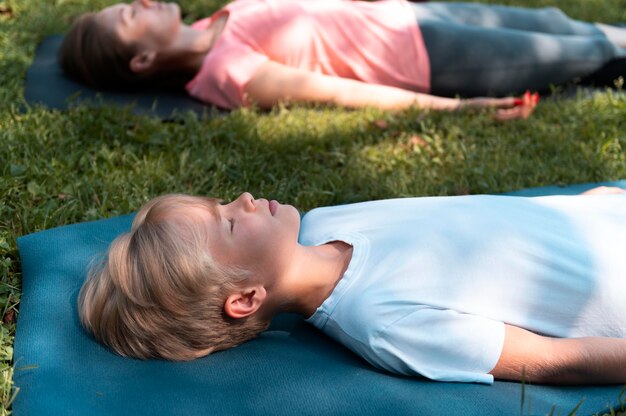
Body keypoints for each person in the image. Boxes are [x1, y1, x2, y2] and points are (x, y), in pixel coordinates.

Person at [79, 185, 626, 385]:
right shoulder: (383, 321)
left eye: (221, 203)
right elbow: (559, 360)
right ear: (245, 299)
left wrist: (577, 208)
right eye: (227, 222)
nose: (243, 200)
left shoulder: (327, 220)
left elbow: (473, 225)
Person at [59, 0, 626, 118]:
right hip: (429, 57)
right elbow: (338, 93)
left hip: (414, 15)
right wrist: (457, 108)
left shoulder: (213, 22)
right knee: (589, 52)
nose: (139, 2)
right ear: (142, 60)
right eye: (128, 17)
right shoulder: (224, 70)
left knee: (558, 23)